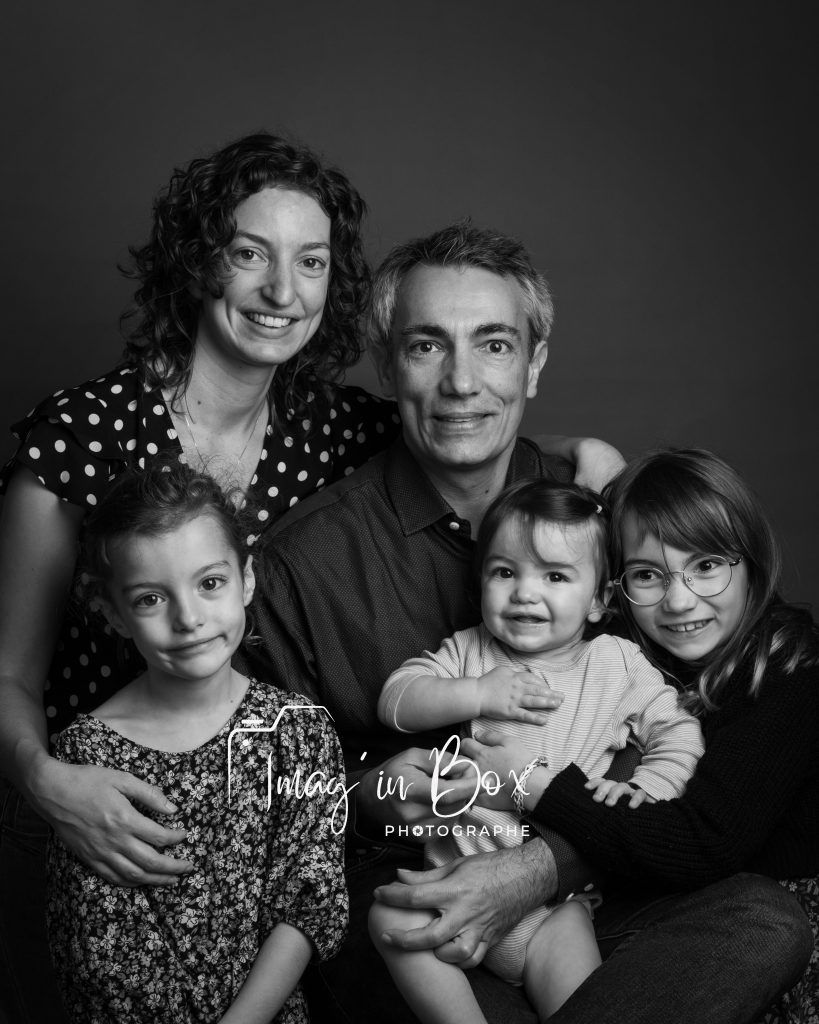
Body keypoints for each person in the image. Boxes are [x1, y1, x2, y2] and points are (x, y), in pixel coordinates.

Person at [0, 132, 618, 1021]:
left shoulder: (326, 427)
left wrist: (578, 454)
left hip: (248, 822)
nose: (281, 291)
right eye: (249, 253)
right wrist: (50, 782)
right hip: (91, 799)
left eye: (311, 262)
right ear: (196, 261)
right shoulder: (84, 437)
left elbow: (459, 419)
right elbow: (11, 672)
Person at [245, 222, 810, 1023]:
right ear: (388, 363)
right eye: (426, 346)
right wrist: (369, 790)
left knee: (762, 918)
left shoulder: (595, 508)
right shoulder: (308, 562)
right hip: (421, 891)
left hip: (592, 882)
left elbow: (714, 613)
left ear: (535, 364)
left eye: (496, 346)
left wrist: (548, 863)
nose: (462, 382)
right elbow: (276, 801)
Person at [462, 449, 818, 1023]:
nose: (679, 601)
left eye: (706, 566)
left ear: (751, 561)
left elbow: (705, 843)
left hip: (752, 926)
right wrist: (587, 454)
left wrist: (534, 783)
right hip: (630, 903)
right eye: (648, 575)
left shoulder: (790, 674)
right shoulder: (633, 664)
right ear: (614, 588)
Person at [370, 478, 705, 1022]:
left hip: (556, 906)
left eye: (554, 576)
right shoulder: (471, 651)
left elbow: (679, 732)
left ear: (599, 599)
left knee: (579, 989)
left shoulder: (616, 663)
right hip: (454, 883)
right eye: (505, 572)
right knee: (389, 917)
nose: (525, 592)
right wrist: (475, 691)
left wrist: (642, 793)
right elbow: (395, 699)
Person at [47, 461, 347, 1024]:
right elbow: (100, 957)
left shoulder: (299, 730)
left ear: (247, 579)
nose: (189, 619)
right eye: (150, 599)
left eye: (210, 583)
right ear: (113, 612)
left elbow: (310, 902)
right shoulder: (86, 759)